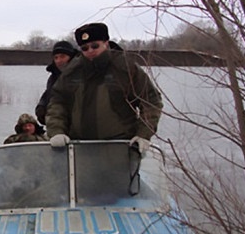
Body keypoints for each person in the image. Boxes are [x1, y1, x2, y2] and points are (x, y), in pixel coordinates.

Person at [45, 22, 163, 154]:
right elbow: (57, 103)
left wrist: (143, 134)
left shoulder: (125, 68)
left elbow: (151, 101)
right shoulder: (72, 71)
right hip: (79, 147)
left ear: (106, 43)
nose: (90, 51)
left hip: (120, 147)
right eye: (84, 48)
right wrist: (56, 131)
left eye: (95, 46)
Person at [34, 41, 79, 125]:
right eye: (56, 57)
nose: (59, 61)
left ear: (72, 57)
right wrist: (41, 106)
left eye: (62, 56)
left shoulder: (80, 74)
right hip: (57, 124)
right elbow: (49, 93)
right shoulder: (53, 77)